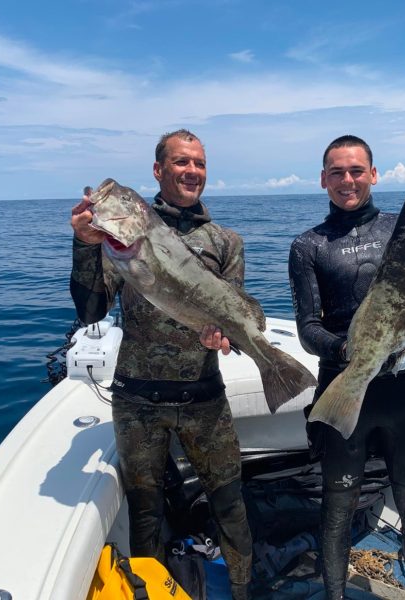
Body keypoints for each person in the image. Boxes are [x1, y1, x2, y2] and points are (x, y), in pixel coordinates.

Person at [288, 135, 405, 600]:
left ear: (373, 174)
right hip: (343, 384)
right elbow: (308, 328)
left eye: (356, 170)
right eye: (337, 172)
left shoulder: (404, 227)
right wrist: (350, 353)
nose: (347, 180)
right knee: (337, 508)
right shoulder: (308, 246)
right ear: (323, 179)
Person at [70, 129, 252, 599]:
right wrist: (85, 245)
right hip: (138, 402)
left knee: (231, 505)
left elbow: (231, 315)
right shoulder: (122, 238)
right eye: (181, 162)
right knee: (146, 514)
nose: (192, 171)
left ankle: (242, 592)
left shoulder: (225, 241)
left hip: (203, 397)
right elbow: (90, 311)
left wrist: (222, 335)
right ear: (158, 170)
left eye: (199, 163)